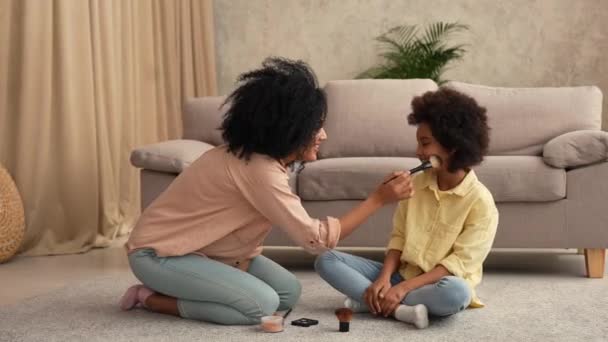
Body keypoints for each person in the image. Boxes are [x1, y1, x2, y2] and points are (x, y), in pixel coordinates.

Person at [118, 57, 414, 325]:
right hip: (159, 255)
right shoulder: (259, 170)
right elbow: (318, 240)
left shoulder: (261, 160)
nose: (323, 135)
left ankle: (191, 284)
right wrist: (379, 198)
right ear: (286, 129)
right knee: (261, 305)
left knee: (289, 292)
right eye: (316, 127)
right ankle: (150, 298)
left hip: (205, 253)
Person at [315, 87, 498, 329]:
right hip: (400, 274)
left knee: (457, 294)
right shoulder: (415, 185)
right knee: (326, 260)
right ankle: (399, 309)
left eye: (425, 143)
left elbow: (458, 265)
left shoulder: (481, 203)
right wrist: (384, 278)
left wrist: (403, 288)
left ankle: (371, 300)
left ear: (452, 146)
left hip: (439, 283)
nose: (418, 152)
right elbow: (399, 238)